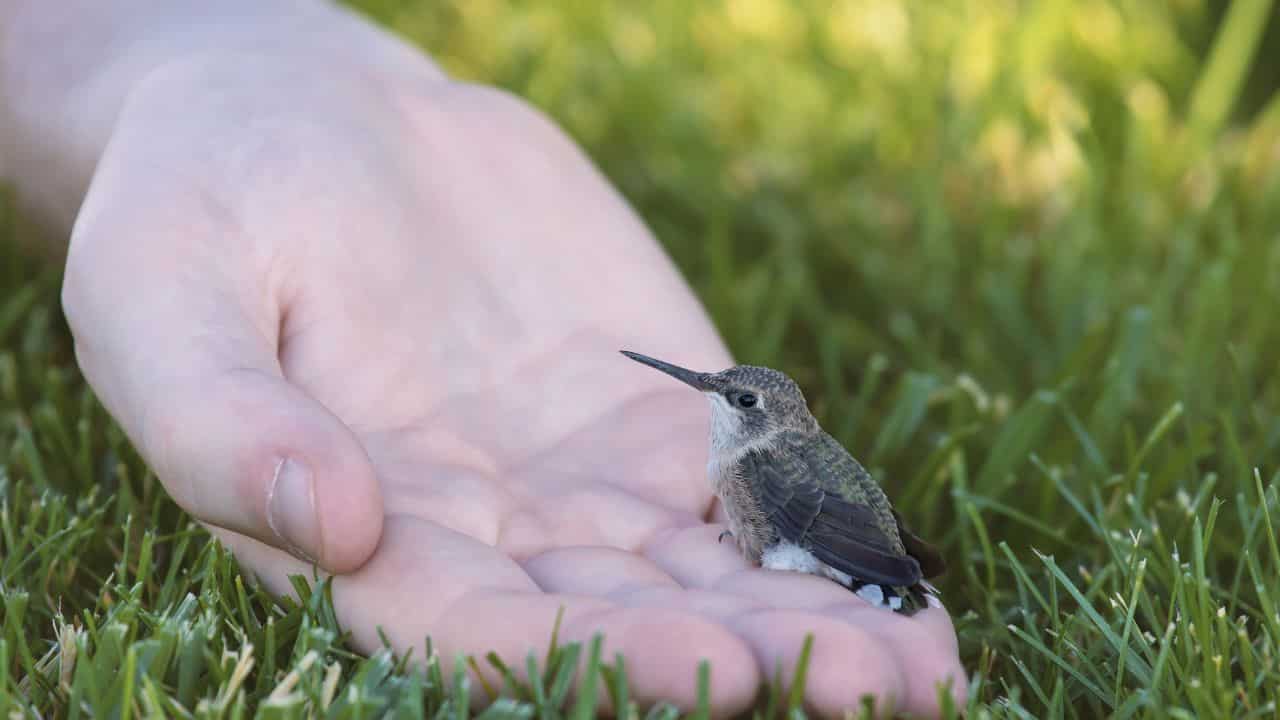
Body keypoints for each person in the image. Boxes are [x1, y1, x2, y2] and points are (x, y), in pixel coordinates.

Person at [0, 1, 965, 716]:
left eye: (732, 398)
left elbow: (811, 523)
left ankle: (882, 580)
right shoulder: (749, 461)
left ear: (768, 424)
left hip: (830, 543)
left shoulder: (769, 470)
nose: (708, 394)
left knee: (826, 559)